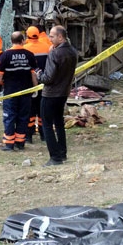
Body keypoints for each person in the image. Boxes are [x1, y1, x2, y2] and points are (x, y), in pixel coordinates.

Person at [36, 25, 77, 166]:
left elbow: (48, 78)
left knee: (47, 125)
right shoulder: (72, 51)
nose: (49, 38)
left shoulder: (55, 54)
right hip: (63, 92)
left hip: (51, 93)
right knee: (59, 122)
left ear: (61, 37)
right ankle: (62, 153)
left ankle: (55, 157)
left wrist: (39, 74)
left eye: (52, 36)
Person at [0, 32, 37, 151]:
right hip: (26, 92)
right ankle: (20, 142)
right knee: (23, 117)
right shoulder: (29, 55)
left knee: (9, 117)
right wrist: (35, 88)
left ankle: (9, 144)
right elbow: (33, 73)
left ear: (11, 41)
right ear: (23, 40)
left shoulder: (5, 55)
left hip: (10, 93)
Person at [23, 26, 51, 143]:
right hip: (44, 82)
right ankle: (43, 134)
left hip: (29, 84)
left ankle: (28, 135)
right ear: (38, 34)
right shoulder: (47, 47)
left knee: (30, 110)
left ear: (27, 35)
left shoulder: (25, 48)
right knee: (42, 109)